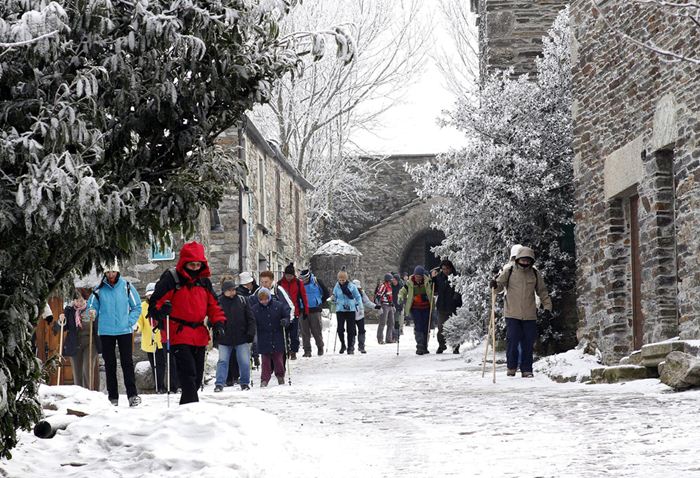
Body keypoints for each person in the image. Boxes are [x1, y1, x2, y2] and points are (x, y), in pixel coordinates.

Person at [149, 241, 226, 404]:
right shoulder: (171, 278)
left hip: (198, 333)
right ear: (185, 263)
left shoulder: (204, 281)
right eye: (192, 265)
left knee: (197, 377)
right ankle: (192, 410)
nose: (195, 268)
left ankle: (186, 409)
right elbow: (155, 303)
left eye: (198, 265)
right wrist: (163, 310)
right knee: (188, 373)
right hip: (178, 332)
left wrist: (218, 323)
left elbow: (213, 305)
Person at [490, 246, 553, 378]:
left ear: (531, 261)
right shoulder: (510, 270)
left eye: (527, 260)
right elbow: (500, 286)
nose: (525, 263)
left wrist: (547, 307)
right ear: (517, 259)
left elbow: (542, 291)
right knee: (512, 339)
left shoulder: (535, 274)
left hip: (529, 313)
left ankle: (527, 369)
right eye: (522, 260)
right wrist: (494, 285)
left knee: (528, 342)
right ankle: (511, 367)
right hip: (512, 312)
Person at [87, 262, 142, 406]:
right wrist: (91, 312)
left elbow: (137, 306)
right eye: (108, 272)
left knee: (127, 363)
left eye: (113, 272)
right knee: (109, 364)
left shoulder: (127, 286)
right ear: (105, 273)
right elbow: (91, 305)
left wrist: (129, 322)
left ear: (117, 272)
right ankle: (113, 397)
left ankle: (132, 395)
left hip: (124, 330)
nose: (111, 275)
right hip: (106, 331)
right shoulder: (99, 290)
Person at [136, 282, 178, 394]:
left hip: (162, 339)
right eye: (149, 295)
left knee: (168, 362)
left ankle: (173, 386)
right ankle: (159, 386)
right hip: (150, 341)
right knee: (156, 365)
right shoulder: (142, 307)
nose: (151, 297)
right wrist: (137, 327)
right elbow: (140, 322)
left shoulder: (163, 305)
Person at [55, 290, 100, 390]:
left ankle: (88, 393)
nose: (78, 303)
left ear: (85, 300)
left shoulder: (92, 309)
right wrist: (61, 321)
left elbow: (100, 325)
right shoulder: (69, 310)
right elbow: (61, 328)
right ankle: (78, 395)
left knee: (87, 368)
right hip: (75, 343)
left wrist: (95, 318)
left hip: (90, 343)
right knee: (77, 371)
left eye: (81, 301)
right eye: (76, 301)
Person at [215, 280, 256, 391]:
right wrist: (216, 331)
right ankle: (219, 383)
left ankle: (244, 382)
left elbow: (250, 318)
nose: (233, 292)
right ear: (224, 291)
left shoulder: (242, 300)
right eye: (230, 290)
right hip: (224, 338)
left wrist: (250, 333)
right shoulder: (218, 302)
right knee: (222, 361)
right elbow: (214, 319)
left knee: (244, 361)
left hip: (241, 337)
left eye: (234, 289)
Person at [250, 288, 288, 387]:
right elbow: (252, 321)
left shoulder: (278, 306)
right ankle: (264, 379)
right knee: (265, 361)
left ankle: (280, 376)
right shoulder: (255, 309)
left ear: (269, 297)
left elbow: (286, 316)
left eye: (266, 299)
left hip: (277, 336)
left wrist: (285, 321)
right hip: (264, 337)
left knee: (278, 359)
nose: (264, 301)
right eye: (261, 299)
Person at [398, 266, 435, 355]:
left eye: (420, 276)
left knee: (426, 326)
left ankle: (425, 346)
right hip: (415, 308)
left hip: (426, 307)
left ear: (422, 276)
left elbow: (433, 288)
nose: (418, 278)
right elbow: (403, 291)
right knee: (418, 325)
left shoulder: (427, 281)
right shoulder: (410, 282)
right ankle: (419, 345)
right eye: (417, 276)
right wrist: (400, 297)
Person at [278, 263, 309, 361]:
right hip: (283, 313)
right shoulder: (279, 284)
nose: (289, 277)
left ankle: (294, 351)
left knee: (294, 334)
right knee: (284, 334)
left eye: (290, 276)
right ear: (284, 274)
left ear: (293, 275)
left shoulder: (298, 283)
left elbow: (303, 297)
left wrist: (306, 311)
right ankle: (285, 350)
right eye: (287, 275)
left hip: (295, 312)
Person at [433, 260, 463, 354]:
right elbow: (435, 289)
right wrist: (433, 280)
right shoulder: (439, 277)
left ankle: (456, 346)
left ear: (450, 268)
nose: (445, 271)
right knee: (441, 327)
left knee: (455, 327)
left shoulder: (456, 276)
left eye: (447, 269)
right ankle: (442, 345)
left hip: (454, 306)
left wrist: (456, 297)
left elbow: (460, 289)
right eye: (443, 269)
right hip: (442, 306)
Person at [299, 268, 329, 357]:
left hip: (315, 310)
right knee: (304, 332)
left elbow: (326, 293)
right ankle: (307, 351)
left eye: (305, 278)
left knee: (316, 330)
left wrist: (319, 302)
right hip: (303, 310)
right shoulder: (298, 284)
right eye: (302, 279)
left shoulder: (317, 281)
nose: (303, 280)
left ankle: (320, 347)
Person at [332, 271, 362, 354]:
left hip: (350, 309)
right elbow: (334, 296)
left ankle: (350, 347)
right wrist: (333, 299)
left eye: (343, 280)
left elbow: (358, 296)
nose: (341, 282)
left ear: (346, 279)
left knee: (351, 329)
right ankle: (343, 344)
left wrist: (360, 306)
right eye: (340, 280)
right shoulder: (337, 286)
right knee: (340, 329)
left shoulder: (352, 286)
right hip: (340, 309)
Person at [352, 279, 381, 354]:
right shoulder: (348, 293)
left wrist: (375, 306)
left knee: (362, 330)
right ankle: (351, 346)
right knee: (352, 331)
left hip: (360, 314)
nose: (357, 289)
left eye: (358, 288)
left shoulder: (362, 293)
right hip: (350, 314)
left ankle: (361, 346)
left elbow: (367, 302)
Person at [375, 273, 395, 344]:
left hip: (389, 306)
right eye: (390, 279)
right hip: (384, 306)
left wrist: (393, 305)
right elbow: (378, 296)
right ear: (388, 279)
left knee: (391, 322)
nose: (391, 281)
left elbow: (390, 296)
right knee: (382, 322)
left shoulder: (389, 286)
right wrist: (378, 307)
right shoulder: (383, 286)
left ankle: (389, 338)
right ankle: (380, 338)